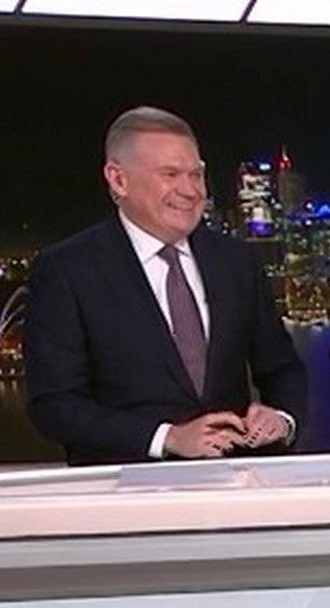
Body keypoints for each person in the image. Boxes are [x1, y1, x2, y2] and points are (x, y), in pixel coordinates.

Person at [25, 106, 307, 466]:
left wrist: (281, 419)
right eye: (170, 174)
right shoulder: (66, 270)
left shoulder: (236, 261)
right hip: (126, 486)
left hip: (234, 482)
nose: (191, 191)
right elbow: (54, 404)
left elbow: (282, 369)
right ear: (118, 180)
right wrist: (167, 438)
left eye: (196, 175)